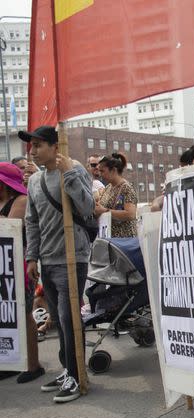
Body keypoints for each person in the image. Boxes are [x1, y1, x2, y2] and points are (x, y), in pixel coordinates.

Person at [21, 125, 94, 403]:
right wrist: (31, 257)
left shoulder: (74, 172)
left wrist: (71, 175)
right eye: (32, 146)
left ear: (55, 147)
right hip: (48, 261)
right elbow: (32, 221)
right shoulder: (35, 182)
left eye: (39, 145)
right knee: (58, 321)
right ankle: (68, 369)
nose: (33, 151)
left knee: (68, 318)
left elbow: (87, 209)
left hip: (73, 257)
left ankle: (77, 376)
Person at [0, 163, 45, 383]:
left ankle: (33, 364)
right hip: (4, 266)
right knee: (7, 316)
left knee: (24, 313)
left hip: (19, 264)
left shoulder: (21, 200)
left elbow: (11, 225)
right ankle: (11, 361)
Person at [94, 153, 137, 238]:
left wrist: (104, 211)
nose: (100, 174)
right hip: (109, 239)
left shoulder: (126, 188)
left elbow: (130, 214)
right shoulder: (108, 188)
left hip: (124, 241)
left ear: (113, 170)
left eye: (102, 171)